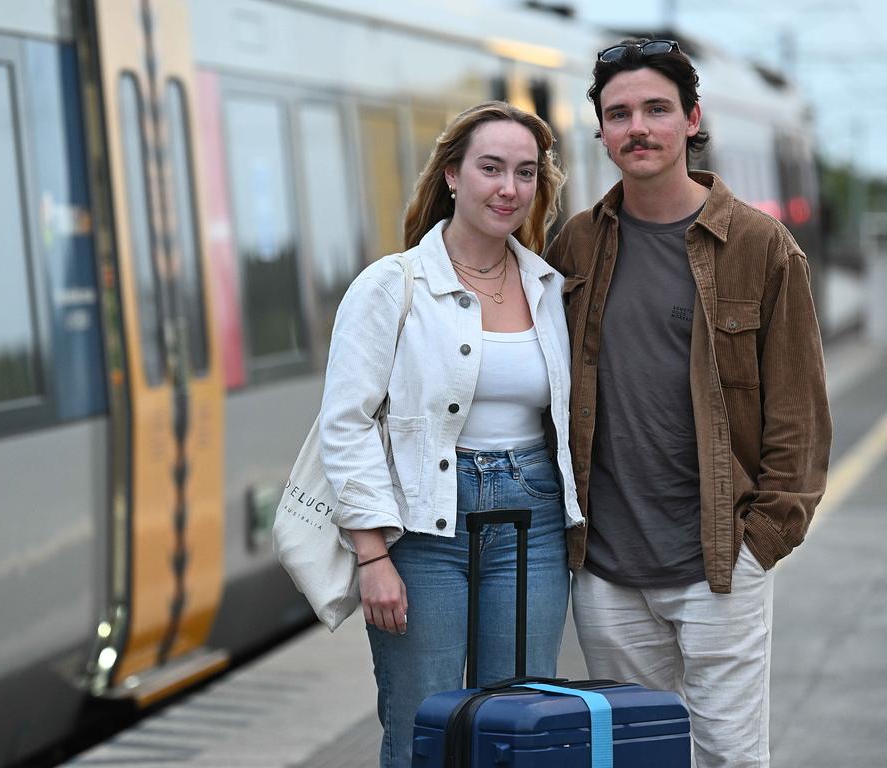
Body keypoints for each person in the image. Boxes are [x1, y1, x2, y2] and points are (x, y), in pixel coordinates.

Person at [545, 39, 832, 768]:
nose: (637, 127)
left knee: (731, 758)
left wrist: (763, 541)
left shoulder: (760, 246)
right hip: (607, 571)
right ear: (601, 131)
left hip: (719, 566)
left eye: (656, 109)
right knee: (635, 758)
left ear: (692, 119)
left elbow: (799, 414)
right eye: (619, 114)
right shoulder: (577, 245)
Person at [318, 101, 581, 767]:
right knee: (423, 733)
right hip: (424, 529)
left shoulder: (547, 287)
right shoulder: (390, 286)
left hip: (533, 521)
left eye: (524, 173)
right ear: (454, 176)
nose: (508, 188)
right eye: (491, 168)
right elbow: (345, 425)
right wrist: (373, 557)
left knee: (519, 731)